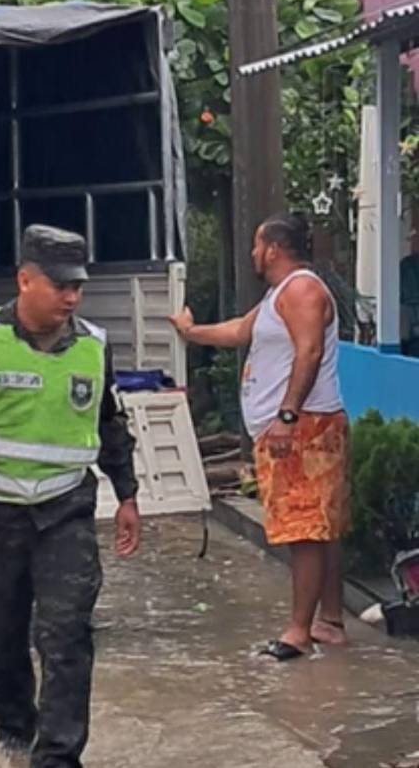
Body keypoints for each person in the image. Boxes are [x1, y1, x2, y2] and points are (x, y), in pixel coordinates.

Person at [0, 224, 141, 768]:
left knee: (66, 634)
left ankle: (59, 757)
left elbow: (111, 423)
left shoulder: (93, 345)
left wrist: (128, 494)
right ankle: (16, 737)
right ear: (25, 280)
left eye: (78, 288)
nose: (72, 297)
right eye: (60, 286)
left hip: (65, 511)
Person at [169, 212, 349, 660]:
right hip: (299, 425)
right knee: (318, 527)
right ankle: (328, 622)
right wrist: (190, 333)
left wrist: (287, 416)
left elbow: (310, 350)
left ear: (272, 248)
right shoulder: (278, 296)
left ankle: (299, 632)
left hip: (304, 425)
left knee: (304, 529)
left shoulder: (303, 289)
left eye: (256, 245)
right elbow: (238, 331)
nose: (253, 253)